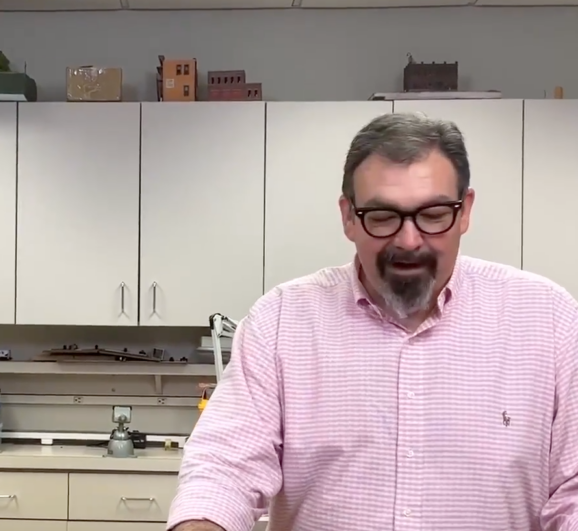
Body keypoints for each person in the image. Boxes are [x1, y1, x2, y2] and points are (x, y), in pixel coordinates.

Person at [167, 112, 578, 531]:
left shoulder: (548, 319)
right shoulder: (281, 322)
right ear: (348, 217)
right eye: (382, 217)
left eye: (434, 214)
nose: (409, 240)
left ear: (465, 210)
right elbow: (223, 469)